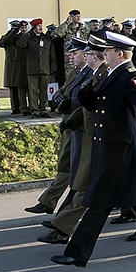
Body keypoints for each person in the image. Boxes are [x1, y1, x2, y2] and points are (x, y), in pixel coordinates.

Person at [50, 32, 136, 267]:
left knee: (99, 200)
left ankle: (77, 253)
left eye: (107, 51)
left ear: (119, 54)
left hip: (121, 148)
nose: (103, 54)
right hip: (111, 146)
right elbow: (99, 104)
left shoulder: (129, 75)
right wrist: (86, 91)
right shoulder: (112, 74)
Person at [36, 37, 110, 244]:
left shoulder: (110, 75)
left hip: (106, 138)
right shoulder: (90, 73)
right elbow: (82, 103)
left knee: (91, 186)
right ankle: (62, 228)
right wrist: (69, 116)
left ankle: (63, 228)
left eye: (84, 54)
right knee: (89, 183)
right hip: (85, 132)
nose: (80, 57)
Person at [24, 37, 89, 216]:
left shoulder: (91, 73)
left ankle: (60, 213)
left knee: (82, 171)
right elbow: (63, 90)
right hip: (70, 125)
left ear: (86, 54)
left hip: (82, 126)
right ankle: (50, 202)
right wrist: (59, 97)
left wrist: (70, 105)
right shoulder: (76, 72)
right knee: (66, 164)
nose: (70, 56)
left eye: (74, 53)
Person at [16, 18, 55, 118]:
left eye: (41, 26)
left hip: (45, 68)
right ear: (33, 28)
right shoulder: (29, 38)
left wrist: (52, 68)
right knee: (33, 91)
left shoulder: (46, 38)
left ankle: (43, 109)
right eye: (38, 26)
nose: (40, 28)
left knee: (43, 90)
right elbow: (19, 44)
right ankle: (35, 110)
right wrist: (28, 34)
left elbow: (52, 54)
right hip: (32, 69)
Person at [0, 20, 26, 113]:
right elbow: (0, 43)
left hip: (22, 65)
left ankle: (23, 107)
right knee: (13, 87)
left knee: (21, 87)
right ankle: (14, 107)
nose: (22, 29)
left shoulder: (23, 37)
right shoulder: (9, 38)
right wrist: (12, 32)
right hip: (11, 66)